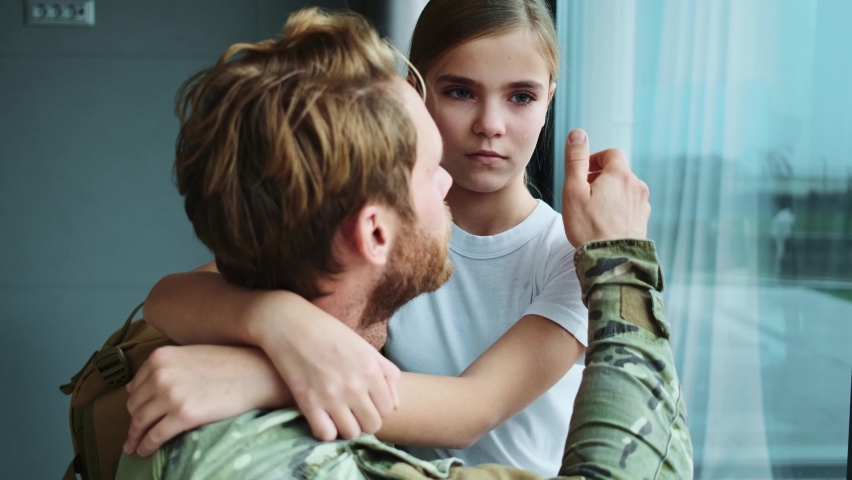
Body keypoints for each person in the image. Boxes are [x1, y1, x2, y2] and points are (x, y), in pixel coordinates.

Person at [116, 8, 692, 479]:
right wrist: (278, 322)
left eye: (521, 96)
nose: (490, 123)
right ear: (418, 90)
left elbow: (473, 409)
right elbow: (170, 296)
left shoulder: (564, 251)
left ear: (550, 97)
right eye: (460, 91)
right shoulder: (388, 224)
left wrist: (265, 376)